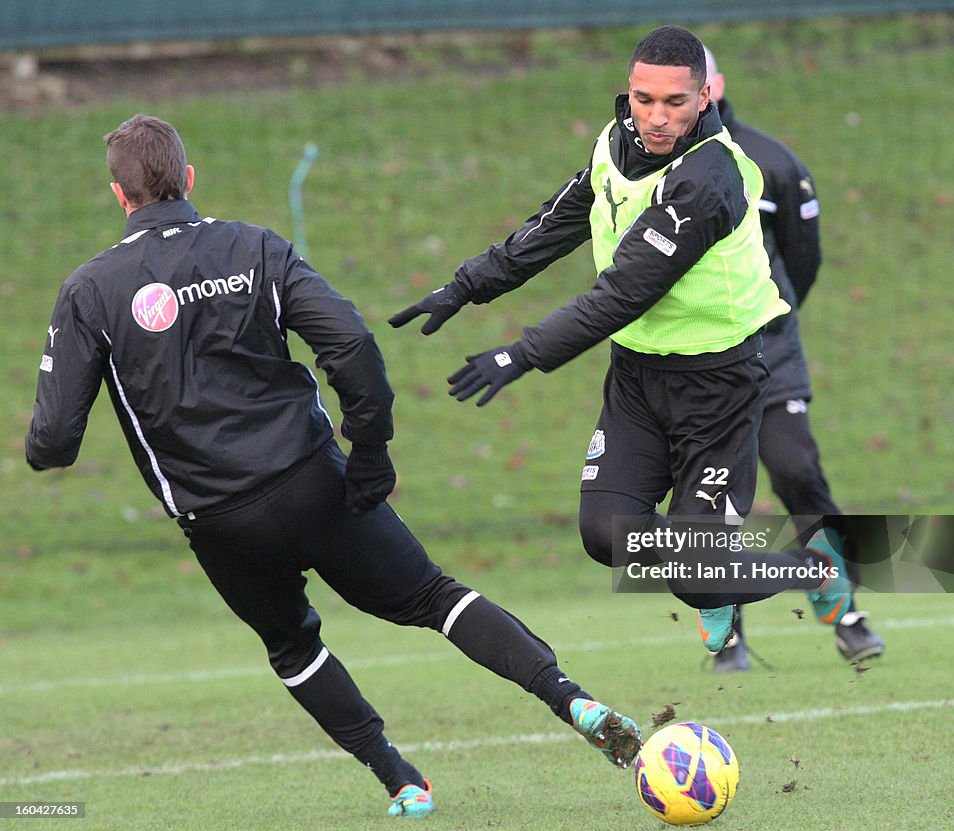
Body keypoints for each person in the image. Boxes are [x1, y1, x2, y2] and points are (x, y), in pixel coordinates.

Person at [24, 114, 643, 820]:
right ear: (188, 179)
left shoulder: (90, 290)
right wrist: (371, 448)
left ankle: (401, 779)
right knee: (436, 599)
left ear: (119, 195)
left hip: (220, 520)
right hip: (314, 482)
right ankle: (573, 699)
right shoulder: (254, 247)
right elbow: (349, 343)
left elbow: (53, 442)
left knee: (291, 645)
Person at [390, 27, 853, 658]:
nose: (657, 117)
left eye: (675, 103)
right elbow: (554, 225)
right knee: (607, 534)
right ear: (627, 94)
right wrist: (464, 286)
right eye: (644, 99)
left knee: (697, 573)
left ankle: (807, 568)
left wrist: (519, 353)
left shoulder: (710, 177)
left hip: (718, 386)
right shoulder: (615, 142)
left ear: (704, 100)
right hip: (637, 378)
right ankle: (713, 580)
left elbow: (624, 292)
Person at [702, 46, 885, 671]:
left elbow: (801, 262)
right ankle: (728, 634)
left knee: (798, 472)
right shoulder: (647, 168)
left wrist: (768, 316)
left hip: (770, 357)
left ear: (716, 84)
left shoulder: (774, 161)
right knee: (714, 496)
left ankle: (845, 614)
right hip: (694, 367)